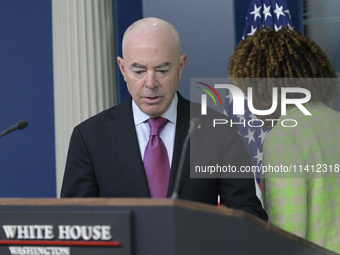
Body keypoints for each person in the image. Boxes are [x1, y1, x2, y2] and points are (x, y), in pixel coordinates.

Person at [61, 17, 267, 220]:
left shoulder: (218, 131)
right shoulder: (90, 137)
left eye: (162, 70)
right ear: (123, 69)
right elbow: (75, 223)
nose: (150, 83)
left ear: (181, 66)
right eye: (139, 71)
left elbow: (248, 215)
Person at [228, 26, 340, 253]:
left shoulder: (283, 137)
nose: (249, 104)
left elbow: (285, 231)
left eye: (248, 91)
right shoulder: (335, 120)